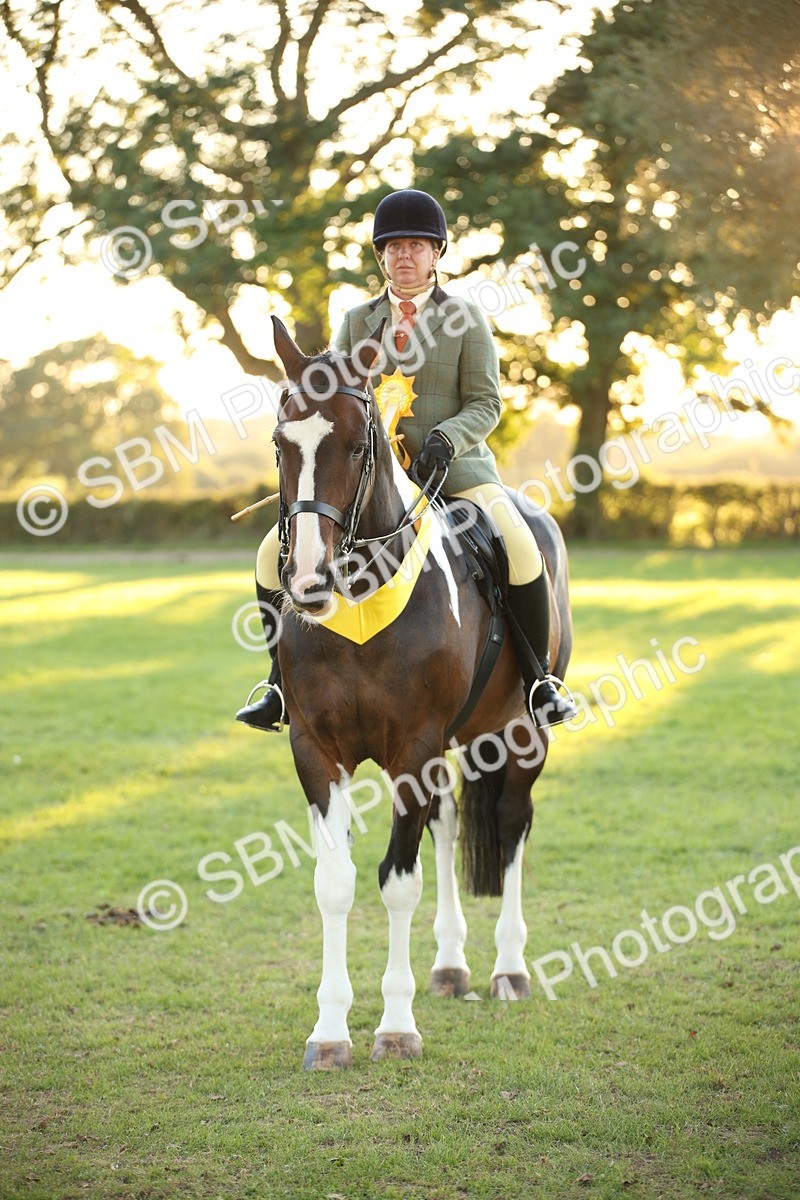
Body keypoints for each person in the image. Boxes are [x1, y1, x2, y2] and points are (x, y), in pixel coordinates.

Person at [236, 188, 577, 732]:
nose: (404, 255)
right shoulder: (355, 321)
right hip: (370, 482)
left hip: (457, 474)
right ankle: (278, 684)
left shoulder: (466, 318)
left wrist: (447, 437)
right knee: (265, 556)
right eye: (393, 247)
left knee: (518, 541)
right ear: (380, 257)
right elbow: (334, 403)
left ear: (436, 253)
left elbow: (487, 402)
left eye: (416, 245)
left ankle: (539, 682)